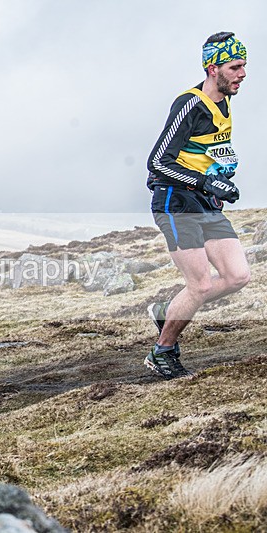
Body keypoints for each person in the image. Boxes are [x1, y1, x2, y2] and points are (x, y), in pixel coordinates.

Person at [145, 32, 250, 379]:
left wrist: (219, 178)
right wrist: (203, 181)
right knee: (201, 285)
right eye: (235, 67)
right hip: (175, 201)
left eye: (244, 66)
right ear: (212, 68)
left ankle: (167, 309)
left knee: (237, 276)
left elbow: (206, 152)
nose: (243, 74)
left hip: (205, 202)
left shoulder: (226, 100)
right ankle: (162, 352)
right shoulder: (189, 104)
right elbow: (158, 161)